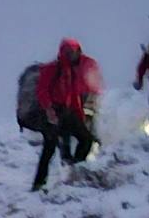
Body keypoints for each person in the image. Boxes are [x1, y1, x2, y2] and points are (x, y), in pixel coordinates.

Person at [32, 40, 103, 190]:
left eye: (76, 52)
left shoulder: (71, 71)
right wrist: (49, 110)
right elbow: (42, 91)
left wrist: (79, 115)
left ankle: (74, 171)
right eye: (72, 52)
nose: (75, 55)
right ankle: (39, 183)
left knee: (86, 140)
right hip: (53, 112)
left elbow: (74, 95)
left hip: (67, 112)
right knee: (49, 149)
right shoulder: (52, 69)